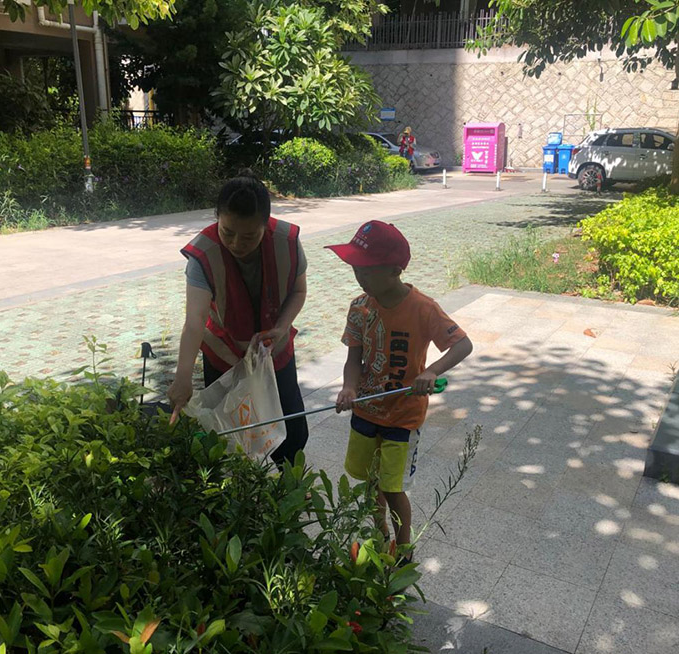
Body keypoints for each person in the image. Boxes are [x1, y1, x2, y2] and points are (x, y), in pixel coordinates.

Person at [326, 221, 473, 560]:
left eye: (367, 269)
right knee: (370, 483)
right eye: (355, 268)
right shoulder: (359, 307)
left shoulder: (423, 308)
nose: (359, 276)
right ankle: (379, 537)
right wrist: (349, 387)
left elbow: (463, 345)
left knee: (392, 487)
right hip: (366, 410)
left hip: (402, 417)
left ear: (395, 270)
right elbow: (353, 359)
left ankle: (403, 547)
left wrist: (431, 371)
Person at [168, 171, 309, 467]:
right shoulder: (204, 254)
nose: (236, 244)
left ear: (265, 226)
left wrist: (281, 327)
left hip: (274, 351)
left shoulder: (286, 241)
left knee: (293, 433)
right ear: (217, 218)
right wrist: (182, 378)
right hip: (224, 356)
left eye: (248, 236)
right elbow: (195, 321)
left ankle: (290, 484)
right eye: (227, 232)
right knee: (229, 438)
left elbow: (298, 290)